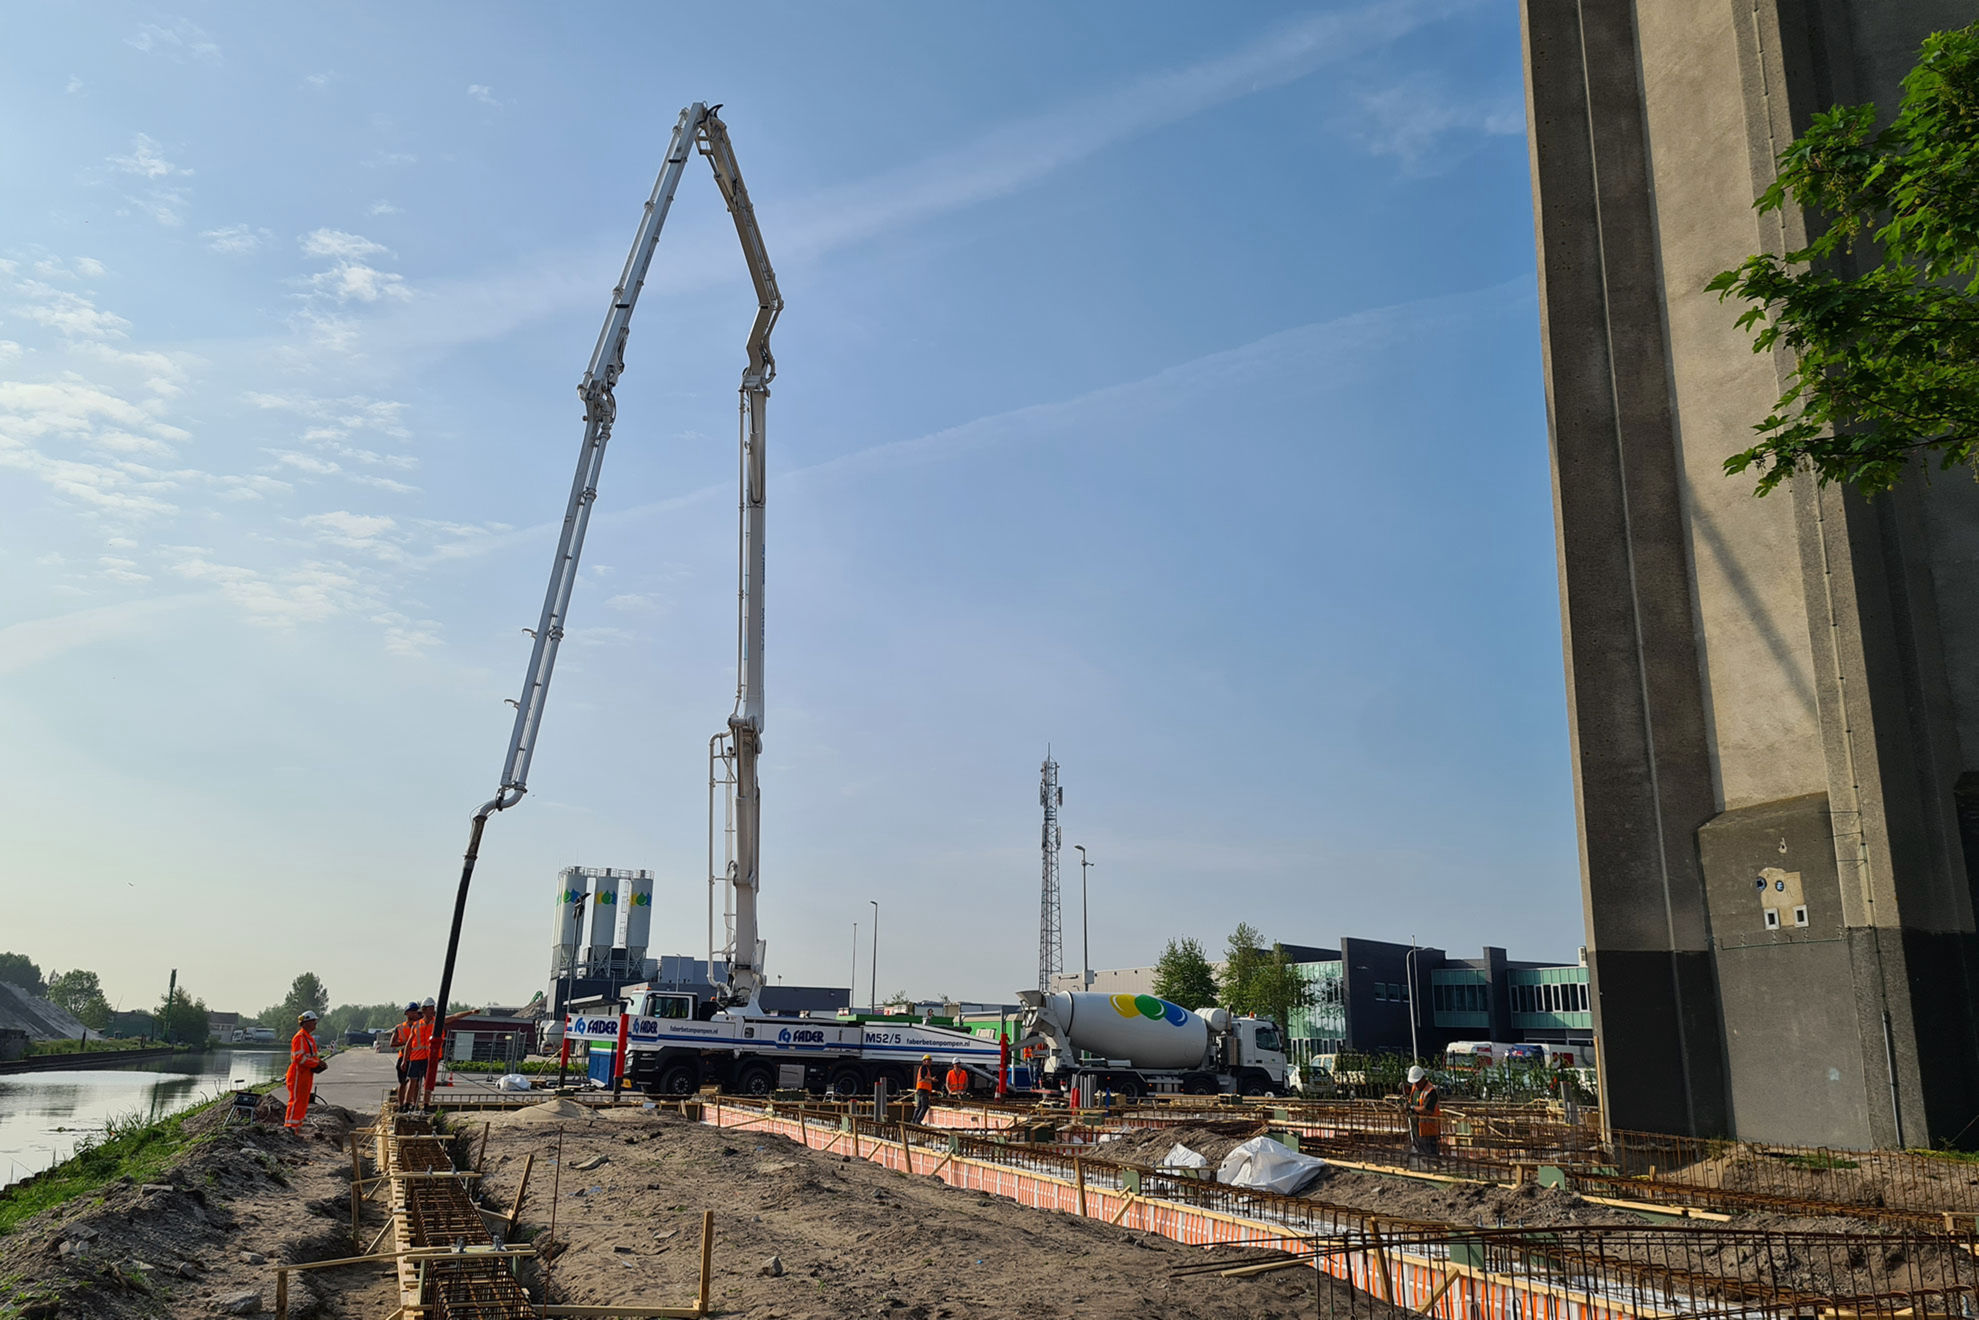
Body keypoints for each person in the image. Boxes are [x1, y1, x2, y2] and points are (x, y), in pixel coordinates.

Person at [285, 1011, 324, 1131]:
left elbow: (310, 1056)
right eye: (313, 1022)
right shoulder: (300, 1038)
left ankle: (296, 1127)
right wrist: (317, 1063)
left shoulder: (308, 1038)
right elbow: (299, 1058)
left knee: (303, 1101)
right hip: (298, 1073)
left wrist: (318, 1063)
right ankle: (290, 1127)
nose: (315, 1024)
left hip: (306, 1073)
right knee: (296, 1100)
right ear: (306, 1022)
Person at [402, 998, 435, 1109]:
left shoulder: (436, 1023)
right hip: (416, 1058)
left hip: (429, 1058)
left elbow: (453, 1018)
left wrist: (470, 1013)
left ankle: (426, 1104)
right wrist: (404, 1060)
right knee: (412, 1081)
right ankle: (407, 1104)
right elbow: (409, 1044)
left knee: (428, 1082)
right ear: (424, 1010)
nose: (433, 1011)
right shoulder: (416, 1025)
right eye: (431, 1008)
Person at [1403, 1064, 1441, 1159]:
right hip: (1417, 1130)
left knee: (1431, 1157)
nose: (1415, 1084)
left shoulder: (1430, 1091)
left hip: (1429, 1132)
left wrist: (1411, 1107)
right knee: (1421, 1157)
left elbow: (1427, 1109)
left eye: (1417, 1082)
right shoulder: (1415, 1088)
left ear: (1423, 1078)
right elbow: (1411, 1101)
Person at [390, 1002, 418, 1104]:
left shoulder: (420, 1025)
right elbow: (392, 1043)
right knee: (403, 1083)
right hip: (403, 1057)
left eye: (416, 1012)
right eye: (412, 1012)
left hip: (416, 1057)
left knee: (415, 1083)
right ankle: (401, 1105)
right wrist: (406, 1043)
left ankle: (414, 1104)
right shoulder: (399, 1027)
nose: (415, 1014)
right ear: (407, 1013)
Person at [912, 1053, 937, 1123]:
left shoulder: (925, 1068)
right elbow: (923, 1076)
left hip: (921, 1089)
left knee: (919, 1106)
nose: (929, 1062)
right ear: (924, 1061)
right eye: (927, 1060)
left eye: (930, 1060)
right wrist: (932, 1079)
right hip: (923, 1089)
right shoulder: (924, 1068)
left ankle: (914, 1120)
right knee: (924, 1106)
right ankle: (918, 1121)